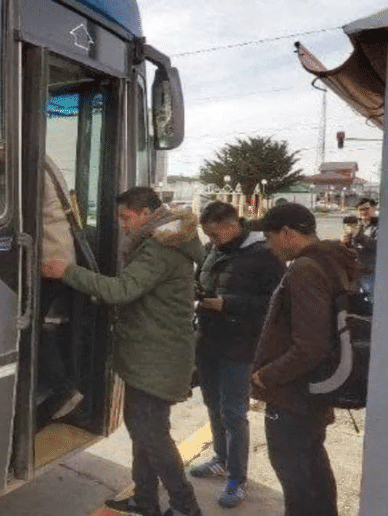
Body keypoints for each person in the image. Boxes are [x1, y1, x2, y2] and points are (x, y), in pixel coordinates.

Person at [43, 187, 203, 516]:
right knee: (142, 430)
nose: (123, 225)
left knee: (153, 436)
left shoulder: (161, 248)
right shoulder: (157, 241)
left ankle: (185, 506)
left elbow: (122, 290)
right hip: (148, 354)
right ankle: (145, 500)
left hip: (157, 357)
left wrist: (67, 271)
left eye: (126, 218)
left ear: (146, 213)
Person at [252, 203, 359, 516]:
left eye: (270, 238)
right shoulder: (331, 260)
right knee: (312, 467)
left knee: (297, 477)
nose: (269, 247)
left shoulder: (305, 268)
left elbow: (309, 346)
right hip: (314, 389)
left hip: (294, 394)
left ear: (287, 233)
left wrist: (265, 376)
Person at [187, 202, 285, 509]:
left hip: (241, 346)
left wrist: (227, 303)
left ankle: (236, 478)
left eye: (215, 235)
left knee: (233, 412)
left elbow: (274, 305)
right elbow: (205, 280)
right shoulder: (215, 249)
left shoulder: (266, 254)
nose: (211, 241)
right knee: (212, 405)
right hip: (209, 339)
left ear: (232, 226)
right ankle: (221, 457)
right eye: (209, 237)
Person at [35, 155, 83, 421]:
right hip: (53, 258)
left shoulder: (30, 161)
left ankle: (63, 389)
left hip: (50, 261)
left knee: (33, 330)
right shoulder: (43, 160)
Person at [342, 197, 378, 300]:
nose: (363, 212)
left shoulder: (380, 226)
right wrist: (347, 242)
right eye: (360, 210)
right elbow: (352, 249)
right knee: (353, 300)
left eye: (366, 208)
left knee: (372, 301)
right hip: (356, 271)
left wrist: (359, 236)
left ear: (374, 208)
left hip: (371, 272)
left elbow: (378, 246)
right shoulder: (358, 226)